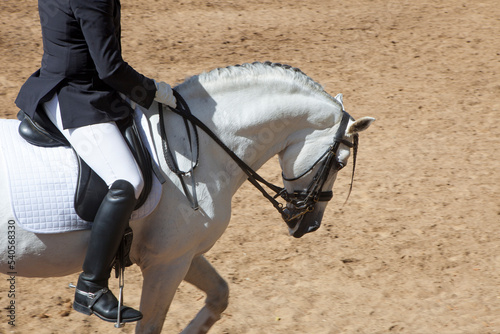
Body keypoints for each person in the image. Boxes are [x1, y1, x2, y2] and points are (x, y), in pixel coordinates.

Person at [15, 0, 176, 323]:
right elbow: (110, 68)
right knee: (129, 180)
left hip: (57, 83)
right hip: (78, 97)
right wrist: (150, 90)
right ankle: (91, 286)